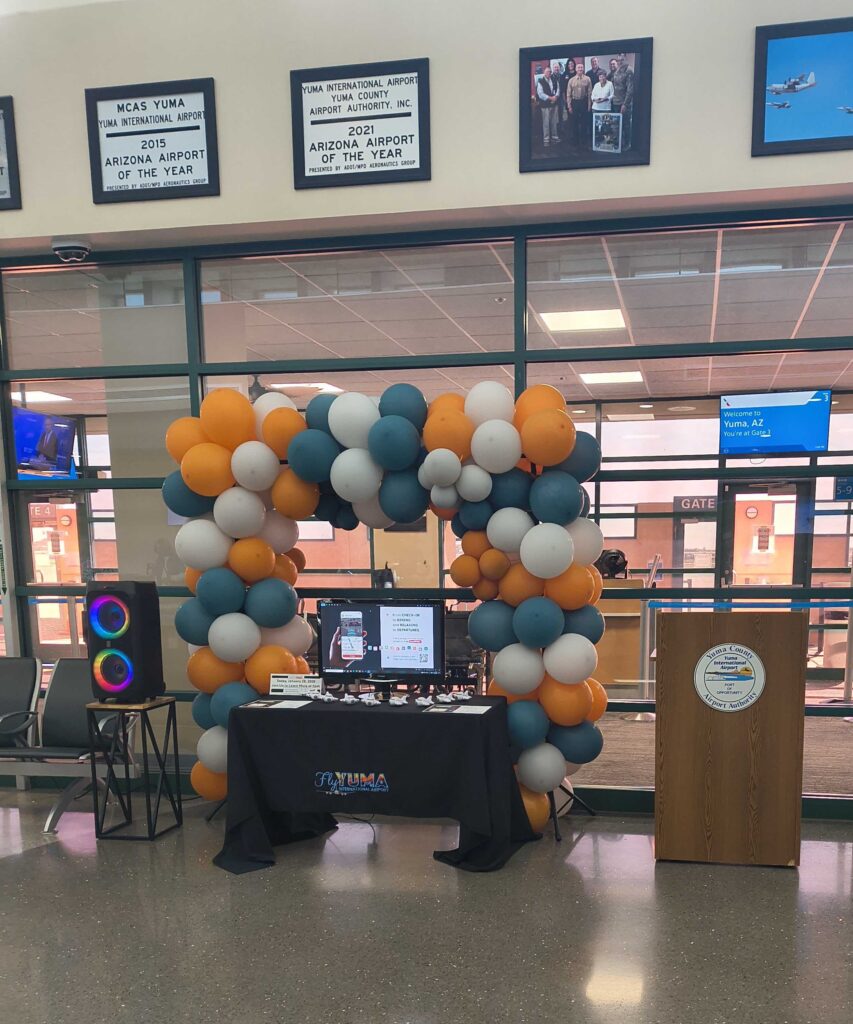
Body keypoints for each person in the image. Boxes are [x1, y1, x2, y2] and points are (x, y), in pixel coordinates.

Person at [611, 52, 635, 149]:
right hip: (616, 102)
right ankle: (619, 143)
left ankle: (627, 144)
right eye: (618, 60)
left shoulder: (629, 70)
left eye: (622, 60)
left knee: (626, 124)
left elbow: (630, 89)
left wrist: (625, 104)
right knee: (616, 125)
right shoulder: (617, 70)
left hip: (624, 103)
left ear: (626, 59)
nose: (620, 62)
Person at [567, 60, 592, 149]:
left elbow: (590, 93)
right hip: (574, 102)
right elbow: (568, 94)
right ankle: (575, 141)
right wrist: (569, 106)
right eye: (578, 67)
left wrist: (589, 105)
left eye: (581, 67)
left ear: (583, 69)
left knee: (584, 122)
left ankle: (584, 140)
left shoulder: (587, 79)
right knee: (574, 122)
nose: (580, 69)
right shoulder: (571, 80)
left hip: (584, 102)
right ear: (576, 69)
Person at [535, 65, 560, 148]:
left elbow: (558, 89)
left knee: (554, 122)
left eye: (550, 72)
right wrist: (550, 98)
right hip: (545, 105)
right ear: (544, 73)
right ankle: (546, 140)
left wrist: (555, 97)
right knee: (546, 123)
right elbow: (541, 94)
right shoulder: (540, 81)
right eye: (547, 72)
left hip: (554, 104)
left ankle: (554, 138)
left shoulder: (554, 79)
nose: (549, 73)